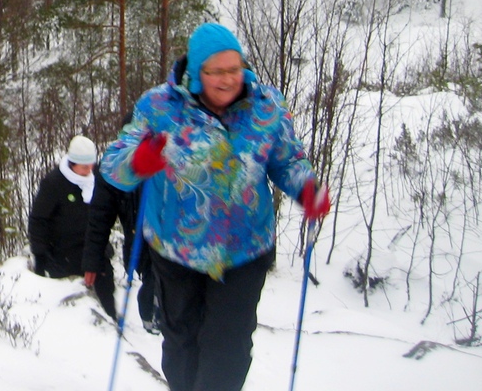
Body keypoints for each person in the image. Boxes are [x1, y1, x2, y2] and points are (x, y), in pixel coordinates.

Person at [98, 23, 331, 391]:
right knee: (181, 348)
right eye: (216, 72)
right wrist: (139, 162)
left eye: (234, 69)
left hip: (244, 250)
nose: (227, 80)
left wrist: (308, 189)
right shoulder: (159, 107)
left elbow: (287, 160)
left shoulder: (266, 107)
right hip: (177, 251)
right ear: (196, 73)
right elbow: (113, 165)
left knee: (229, 352)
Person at [82, 114, 157, 332]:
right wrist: (92, 261)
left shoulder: (168, 159)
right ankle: (152, 318)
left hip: (171, 241)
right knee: (153, 282)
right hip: (139, 242)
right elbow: (99, 218)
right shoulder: (114, 168)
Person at [28, 134, 98, 279]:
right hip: (63, 252)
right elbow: (38, 219)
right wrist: (41, 255)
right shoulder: (54, 183)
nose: (89, 170)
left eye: (92, 165)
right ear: (73, 163)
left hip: (91, 250)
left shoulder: (95, 179)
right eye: (85, 166)